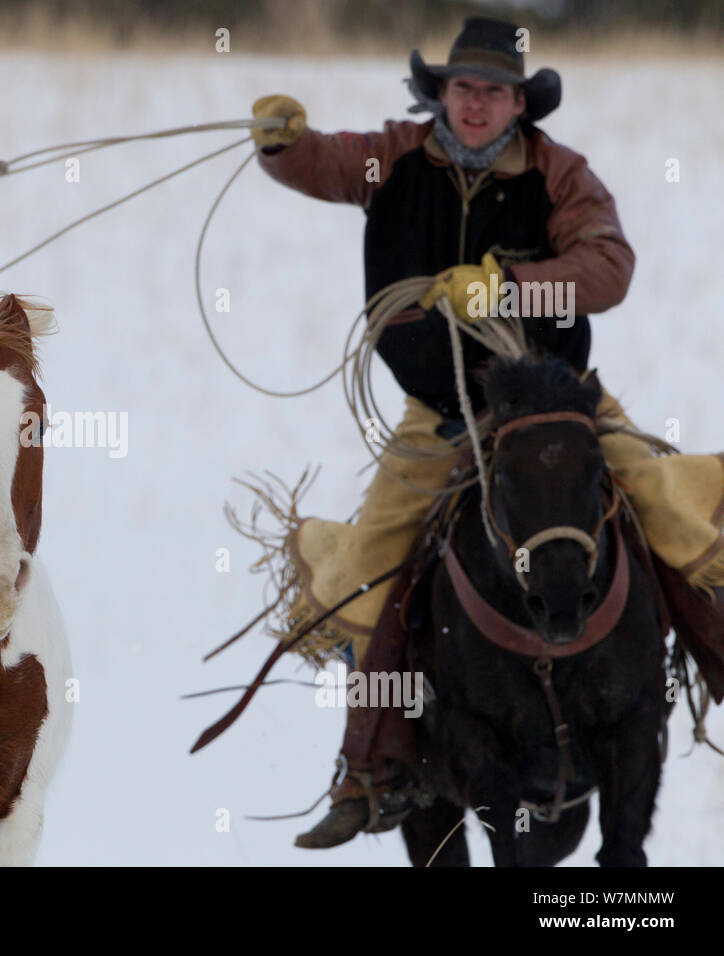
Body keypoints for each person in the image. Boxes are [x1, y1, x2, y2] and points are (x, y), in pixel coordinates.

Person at [247, 16, 724, 848]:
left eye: (493, 92)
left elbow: (608, 269)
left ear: (517, 104)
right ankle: (373, 763)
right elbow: (326, 164)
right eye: (463, 89)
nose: (476, 105)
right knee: (367, 576)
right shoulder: (392, 158)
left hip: (556, 407)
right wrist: (283, 146)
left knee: (666, 511)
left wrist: (509, 289)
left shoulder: (559, 173)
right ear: (442, 95)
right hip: (440, 417)